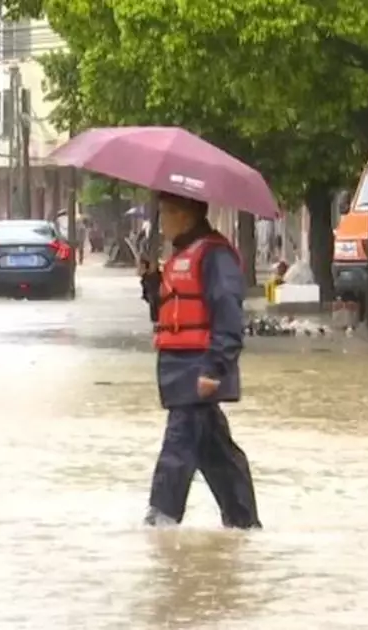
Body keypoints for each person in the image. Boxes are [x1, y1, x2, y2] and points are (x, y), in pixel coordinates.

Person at [138, 191, 261, 529]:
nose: (162, 223)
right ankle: (243, 525)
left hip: (199, 369)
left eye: (167, 214)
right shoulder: (181, 256)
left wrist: (215, 367)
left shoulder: (214, 256)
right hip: (178, 369)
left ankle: (160, 522)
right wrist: (151, 282)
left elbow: (228, 316)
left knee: (178, 446)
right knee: (217, 454)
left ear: (187, 216)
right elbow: (165, 312)